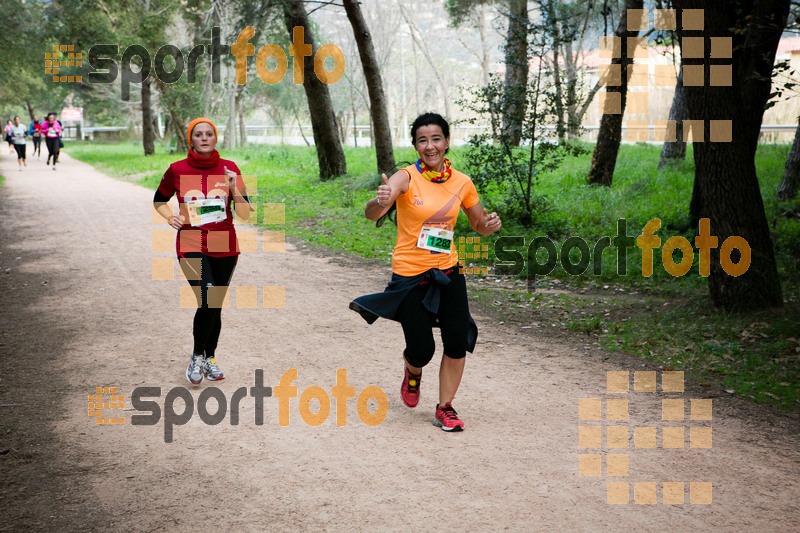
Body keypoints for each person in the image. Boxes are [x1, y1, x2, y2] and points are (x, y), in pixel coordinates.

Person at [350, 112, 502, 432]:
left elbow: (477, 224)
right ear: (416, 146)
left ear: (446, 142)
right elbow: (372, 212)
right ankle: (413, 371)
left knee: (456, 341)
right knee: (422, 349)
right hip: (410, 274)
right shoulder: (406, 177)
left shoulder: (462, 182)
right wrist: (379, 202)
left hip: (448, 272)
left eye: (436, 139)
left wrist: (487, 226)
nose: (430, 146)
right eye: (422, 140)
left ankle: (444, 407)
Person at [152, 117, 253, 385]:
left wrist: (234, 188)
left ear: (215, 138)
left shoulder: (231, 169)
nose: (205, 138)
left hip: (225, 244)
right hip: (191, 241)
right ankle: (197, 355)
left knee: (215, 304)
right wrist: (168, 216)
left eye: (209, 134)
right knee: (208, 297)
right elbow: (159, 199)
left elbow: (244, 214)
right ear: (191, 139)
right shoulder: (177, 169)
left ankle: (210, 358)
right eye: (199, 134)